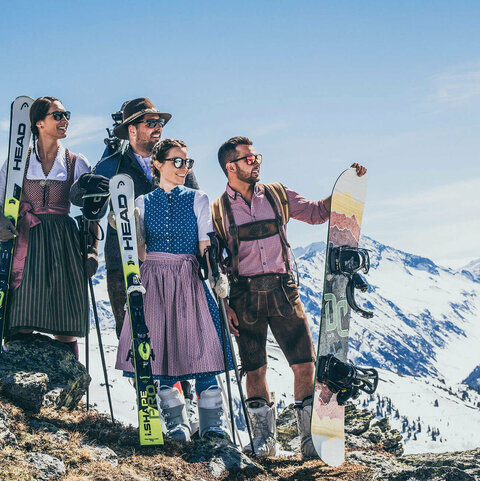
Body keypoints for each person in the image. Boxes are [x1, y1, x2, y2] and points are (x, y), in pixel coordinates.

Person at [213, 136, 367, 458]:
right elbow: (215, 263)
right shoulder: (217, 211)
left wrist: (345, 189)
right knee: (254, 370)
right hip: (244, 299)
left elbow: (316, 213)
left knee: (305, 365)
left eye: (256, 157)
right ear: (231, 167)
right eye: (248, 159)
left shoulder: (277, 194)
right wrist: (224, 303)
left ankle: (310, 442)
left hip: (284, 292)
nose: (256, 162)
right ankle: (264, 442)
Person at [115, 138, 231, 442]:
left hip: (186, 276)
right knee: (159, 354)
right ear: (158, 164)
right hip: (153, 277)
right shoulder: (142, 203)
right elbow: (140, 253)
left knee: (202, 348)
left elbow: (205, 242)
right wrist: (126, 227)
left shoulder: (198, 198)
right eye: (177, 161)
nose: (184, 167)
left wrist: (214, 271)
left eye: (187, 162)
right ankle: (176, 424)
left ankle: (211, 426)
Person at [70, 97, 199, 339]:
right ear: (132, 129)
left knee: (177, 335)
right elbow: (78, 198)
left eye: (160, 122)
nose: (158, 127)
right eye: (151, 122)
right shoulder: (111, 165)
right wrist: (86, 183)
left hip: (172, 263)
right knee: (132, 338)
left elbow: (194, 206)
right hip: (123, 262)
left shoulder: (176, 163)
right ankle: (139, 379)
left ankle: (179, 380)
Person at [0, 96, 93, 357]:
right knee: (22, 313)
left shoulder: (76, 161)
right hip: (26, 242)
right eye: (58, 115)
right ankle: (17, 378)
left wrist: (92, 251)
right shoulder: (17, 162)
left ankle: (69, 381)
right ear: (39, 122)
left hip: (65, 242)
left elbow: (90, 213)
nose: (65, 120)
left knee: (65, 318)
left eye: (66, 115)